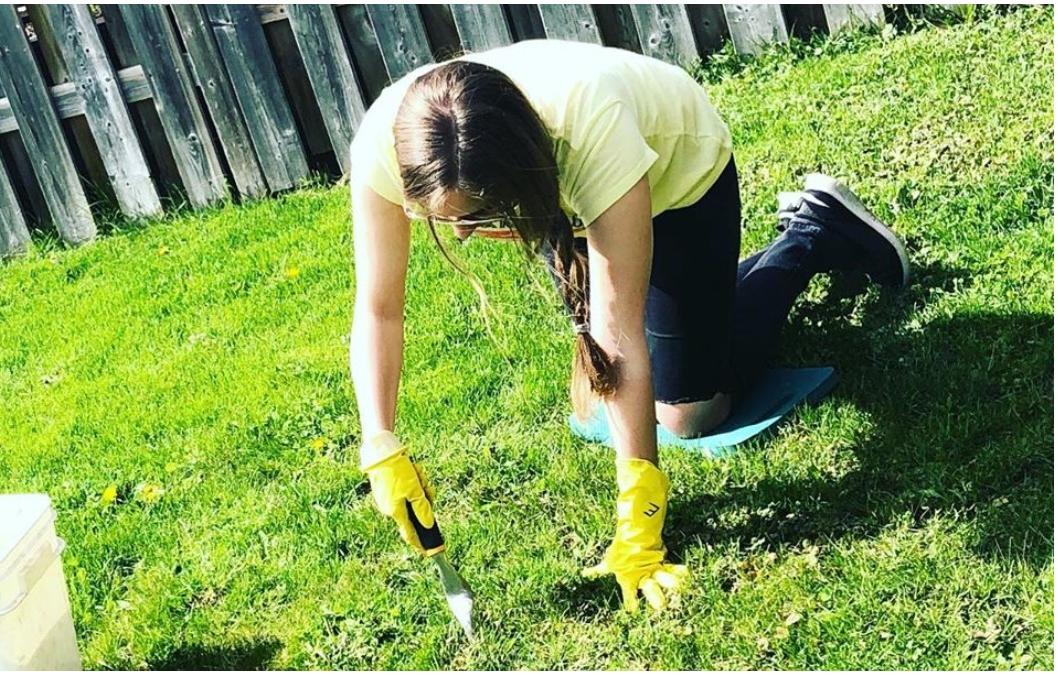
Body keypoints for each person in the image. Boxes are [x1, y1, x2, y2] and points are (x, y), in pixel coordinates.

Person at [348, 39, 909, 612]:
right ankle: (707, 300)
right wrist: (379, 443)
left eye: (474, 216)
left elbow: (616, 339)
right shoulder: (386, 144)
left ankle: (814, 233)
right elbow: (378, 308)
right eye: (445, 218)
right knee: (633, 364)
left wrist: (640, 526)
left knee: (689, 415)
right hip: (559, 186)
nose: (463, 235)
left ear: (518, 176)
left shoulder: (589, 128)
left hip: (680, 180)